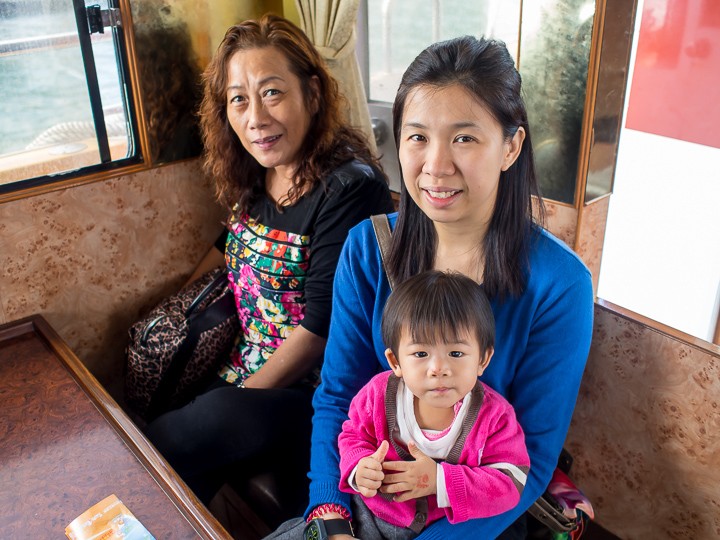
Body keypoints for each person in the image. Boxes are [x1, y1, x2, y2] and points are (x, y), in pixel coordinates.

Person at [269, 35, 593, 539]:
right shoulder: (368, 248)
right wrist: (330, 518)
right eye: (417, 137)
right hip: (368, 504)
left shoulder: (559, 285)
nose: (435, 165)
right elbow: (338, 397)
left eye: (464, 138)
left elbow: (531, 462)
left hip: (474, 515)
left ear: (511, 146)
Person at [144, 13, 394, 510]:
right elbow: (227, 245)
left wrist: (236, 395)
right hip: (245, 367)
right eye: (239, 98)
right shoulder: (261, 172)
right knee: (173, 461)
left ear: (314, 94)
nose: (255, 117)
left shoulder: (350, 187)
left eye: (272, 92)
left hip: (315, 394)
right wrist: (173, 317)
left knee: (197, 426)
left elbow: (320, 328)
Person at [338, 270, 530, 539]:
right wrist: (359, 469)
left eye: (456, 353)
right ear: (395, 362)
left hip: (445, 530)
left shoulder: (495, 417)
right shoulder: (377, 395)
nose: (438, 369)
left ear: (483, 359)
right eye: (420, 353)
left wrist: (439, 481)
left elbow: (510, 484)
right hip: (369, 515)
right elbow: (352, 437)